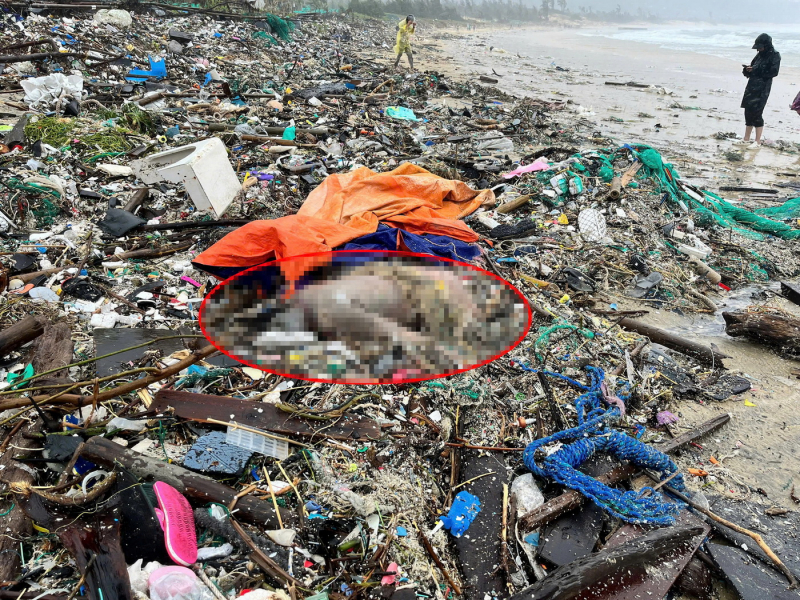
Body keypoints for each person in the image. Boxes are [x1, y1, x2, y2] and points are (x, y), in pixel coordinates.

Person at [737, 33, 781, 149]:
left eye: (761, 47)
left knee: (757, 113)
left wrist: (756, 70)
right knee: (748, 111)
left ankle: (757, 141)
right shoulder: (759, 55)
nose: (759, 49)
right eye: (758, 47)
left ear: (767, 45)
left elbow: (773, 72)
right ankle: (746, 139)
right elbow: (753, 66)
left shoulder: (775, 55)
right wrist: (748, 70)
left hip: (763, 88)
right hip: (751, 86)